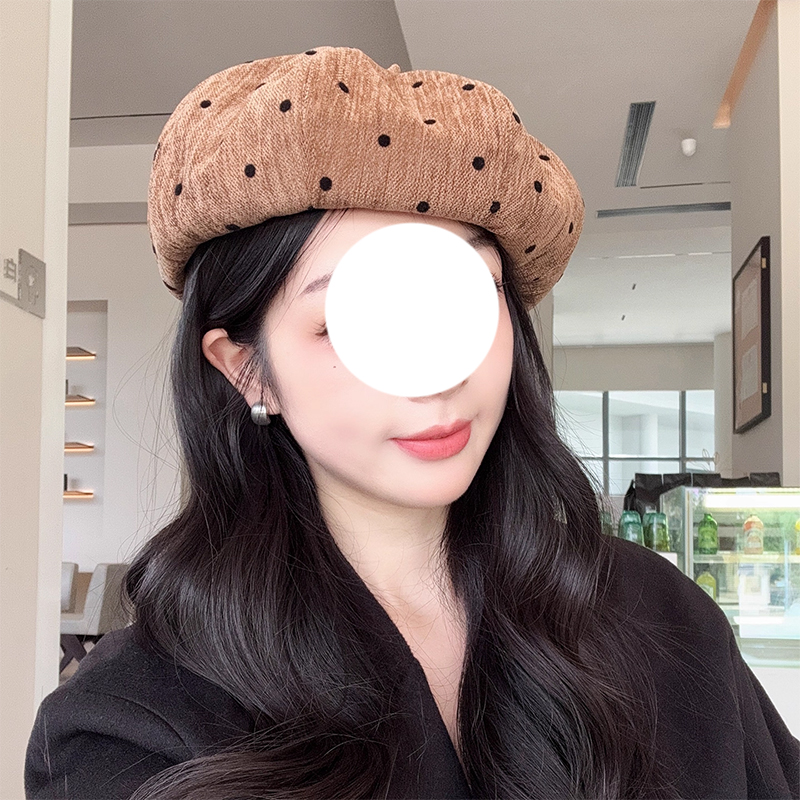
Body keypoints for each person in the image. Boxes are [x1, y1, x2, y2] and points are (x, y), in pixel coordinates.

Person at [25, 46, 799, 800]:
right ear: (248, 369)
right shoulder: (129, 729)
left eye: (467, 298)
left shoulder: (665, 618)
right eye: (354, 323)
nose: (438, 374)